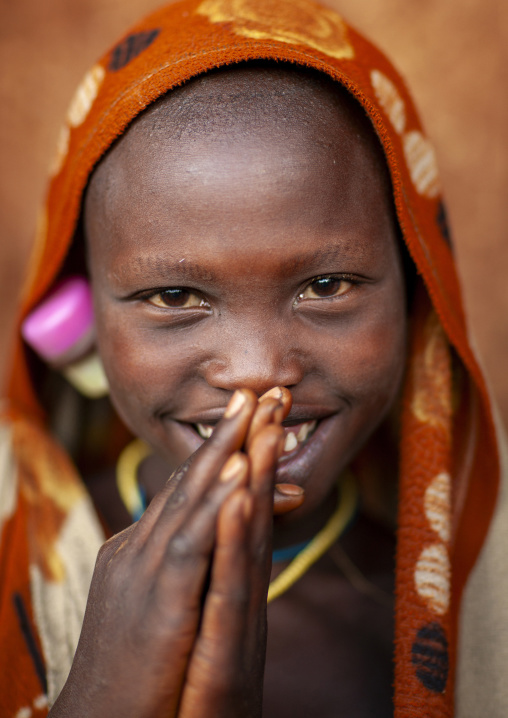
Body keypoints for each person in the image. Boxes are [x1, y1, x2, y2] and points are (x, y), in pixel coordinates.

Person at [1, 0, 507, 716]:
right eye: (174, 295)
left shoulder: (458, 613)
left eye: (326, 286)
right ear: (84, 314)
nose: (259, 370)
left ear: (420, 295)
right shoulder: (15, 556)